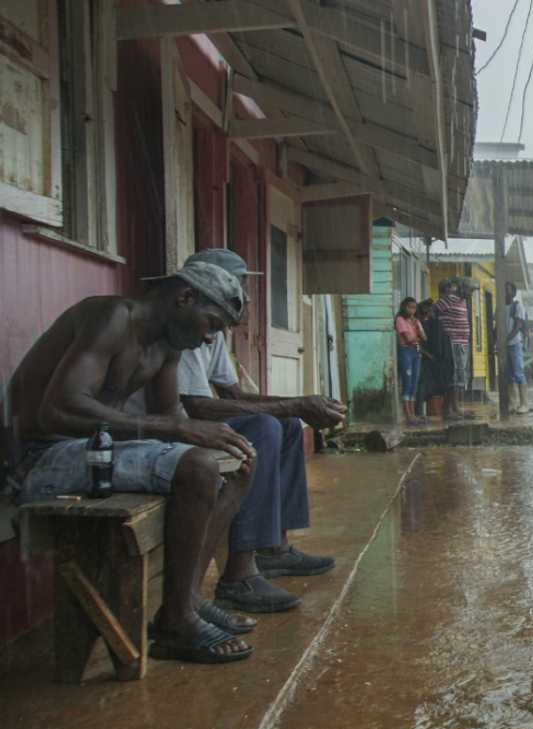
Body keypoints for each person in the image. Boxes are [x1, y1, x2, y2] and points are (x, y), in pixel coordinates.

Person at [4, 263, 258, 664]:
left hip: (95, 451)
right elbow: (58, 410)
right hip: (42, 457)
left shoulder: (166, 346)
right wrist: (181, 432)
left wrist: (206, 435)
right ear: (185, 298)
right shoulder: (113, 316)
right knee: (197, 468)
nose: (210, 337)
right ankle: (176, 623)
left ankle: (186, 599)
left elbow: (168, 415)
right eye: (211, 324)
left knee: (239, 461)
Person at [129, 249, 345, 615]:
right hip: (164, 429)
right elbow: (195, 406)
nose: (243, 293)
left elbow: (232, 395)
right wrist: (294, 404)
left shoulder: (211, 326)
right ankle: (238, 573)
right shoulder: (185, 326)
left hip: (180, 422)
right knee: (262, 428)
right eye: (239, 284)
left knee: (289, 425)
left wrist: (302, 403)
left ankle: (274, 548)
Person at [434, 279, 472, 419]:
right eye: (470, 290)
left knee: (460, 377)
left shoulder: (462, 301)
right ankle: (449, 409)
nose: (471, 293)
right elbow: (434, 311)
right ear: (461, 288)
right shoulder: (449, 298)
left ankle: (455, 408)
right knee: (454, 376)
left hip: (461, 343)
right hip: (453, 342)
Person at [417, 299, 454, 418]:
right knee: (424, 386)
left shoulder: (435, 323)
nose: (430, 313)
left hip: (436, 358)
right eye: (428, 311)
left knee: (431, 386)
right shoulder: (422, 323)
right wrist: (428, 355)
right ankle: (419, 412)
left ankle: (427, 412)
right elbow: (420, 343)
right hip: (427, 358)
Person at [395, 297, 426, 426]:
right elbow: (408, 339)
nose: (412, 310)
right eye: (409, 307)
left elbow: (424, 337)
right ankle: (408, 415)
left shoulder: (415, 321)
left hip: (416, 352)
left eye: (414, 308)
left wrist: (418, 326)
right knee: (407, 383)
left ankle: (413, 415)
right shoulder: (400, 320)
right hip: (406, 351)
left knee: (414, 383)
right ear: (404, 307)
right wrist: (417, 335)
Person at [505, 282, 530, 415]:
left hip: (515, 344)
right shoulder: (500, 307)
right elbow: (497, 326)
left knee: (518, 372)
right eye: (504, 290)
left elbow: (518, 326)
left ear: (513, 293)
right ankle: (512, 403)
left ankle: (524, 404)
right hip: (505, 346)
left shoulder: (518, 306)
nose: (506, 293)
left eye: (508, 290)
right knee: (509, 375)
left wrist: (506, 339)